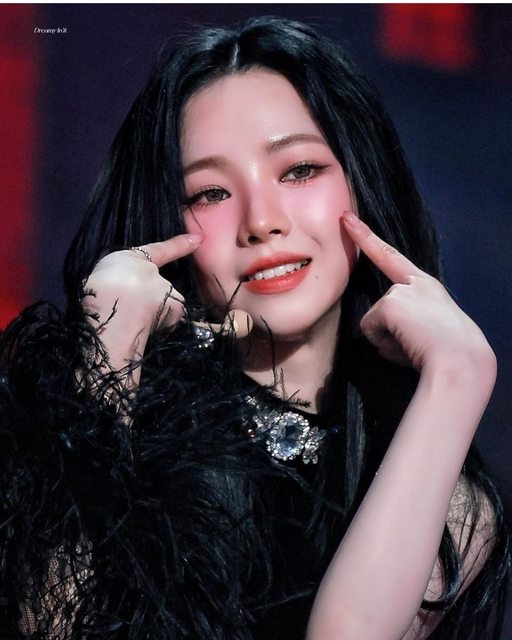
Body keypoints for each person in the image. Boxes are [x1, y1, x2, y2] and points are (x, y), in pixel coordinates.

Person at [0, 16, 509, 640]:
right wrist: (107, 355)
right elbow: (47, 627)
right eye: (211, 193)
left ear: (362, 180)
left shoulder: (451, 500)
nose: (262, 221)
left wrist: (456, 376)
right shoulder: (88, 416)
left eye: (299, 170)